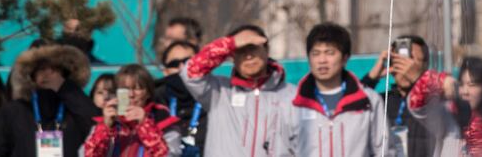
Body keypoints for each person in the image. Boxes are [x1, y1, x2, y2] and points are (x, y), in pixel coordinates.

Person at [278, 22, 396, 156]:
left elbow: (384, 152)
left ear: (345, 58)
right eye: (316, 53)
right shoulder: (292, 105)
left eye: (329, 53)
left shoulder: (369, 101)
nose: (322, 60)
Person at [181, 24, 291, 155]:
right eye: (241, 50)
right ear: (232, 56)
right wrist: (229, 44)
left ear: (266, 50)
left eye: (253, 48)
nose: (248, 56)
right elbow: (190, 72)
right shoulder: (218, 91)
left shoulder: (291, 95)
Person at [0, 43, 98, 157]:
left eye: (54, 69)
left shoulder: (74, 106)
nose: (47, 74)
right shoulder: (13, 111)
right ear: (32, 75)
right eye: (41, 69)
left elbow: (96, 126)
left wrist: (65, 88)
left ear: (64, 74)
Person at [406, 57, 482, 156]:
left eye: (472, 84)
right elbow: (417, 104)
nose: (465, 91)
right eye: (462, 84)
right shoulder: (449, 119)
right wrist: (439, 81)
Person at [361, 35, 436, 157]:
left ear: (426, 65)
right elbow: (351, 109)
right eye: (400, 59)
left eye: (411, 60)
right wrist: (371, 78)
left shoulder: (433, 101)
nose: (405, 66)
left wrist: (418, 81)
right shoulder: (381, 101)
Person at [83, 64, 180, 157]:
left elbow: (170, 155)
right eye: (125, 89)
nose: (131, 95)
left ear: (148, 93)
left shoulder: (162, 119)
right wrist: (105, 127)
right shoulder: (108, 120)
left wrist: (145, 124)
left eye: (137, 88)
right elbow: (88, 154)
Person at [154, 41, 205, 154]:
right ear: (165, 71)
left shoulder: (216, 99)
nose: (182, 68)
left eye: (188, 62)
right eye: (174, 64)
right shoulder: (153, 105)